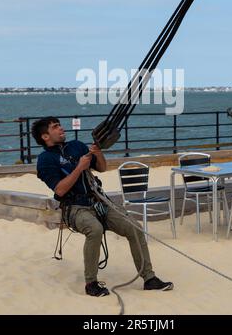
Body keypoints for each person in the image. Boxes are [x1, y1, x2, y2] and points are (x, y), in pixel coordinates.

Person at [32, 116, 174, 297]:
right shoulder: (45, 160)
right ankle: (91, 283)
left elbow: (102, 167)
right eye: (55, 127)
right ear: (45, 136)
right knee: (94, 229)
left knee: (134, 228)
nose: (61, 128)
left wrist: (98, 153)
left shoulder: (76, 146)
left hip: (99, 202)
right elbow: (59, 190)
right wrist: (79, 168)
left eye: (60, 125)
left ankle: (149, 278)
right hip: (75, 208)